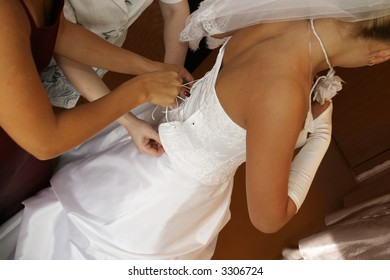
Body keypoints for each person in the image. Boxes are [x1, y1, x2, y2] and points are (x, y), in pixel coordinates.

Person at [14, 0, 390, 259]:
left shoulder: (275, 17)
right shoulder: (284, 94)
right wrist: (317, 141)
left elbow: (239, 100)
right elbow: (268, 218)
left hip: (143, 144)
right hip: (165, 201)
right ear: (381, 55)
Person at [0, 0, 191, 223]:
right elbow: (46, 141)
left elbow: (61, 34)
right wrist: (141, 89)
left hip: (21, 147)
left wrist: (152, 69)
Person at [43, 0, 191, 156]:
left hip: (97, 68)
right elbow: (65, 44)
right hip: (42, 64)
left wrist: (172, 77)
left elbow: (174, 9)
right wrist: (129, 122)